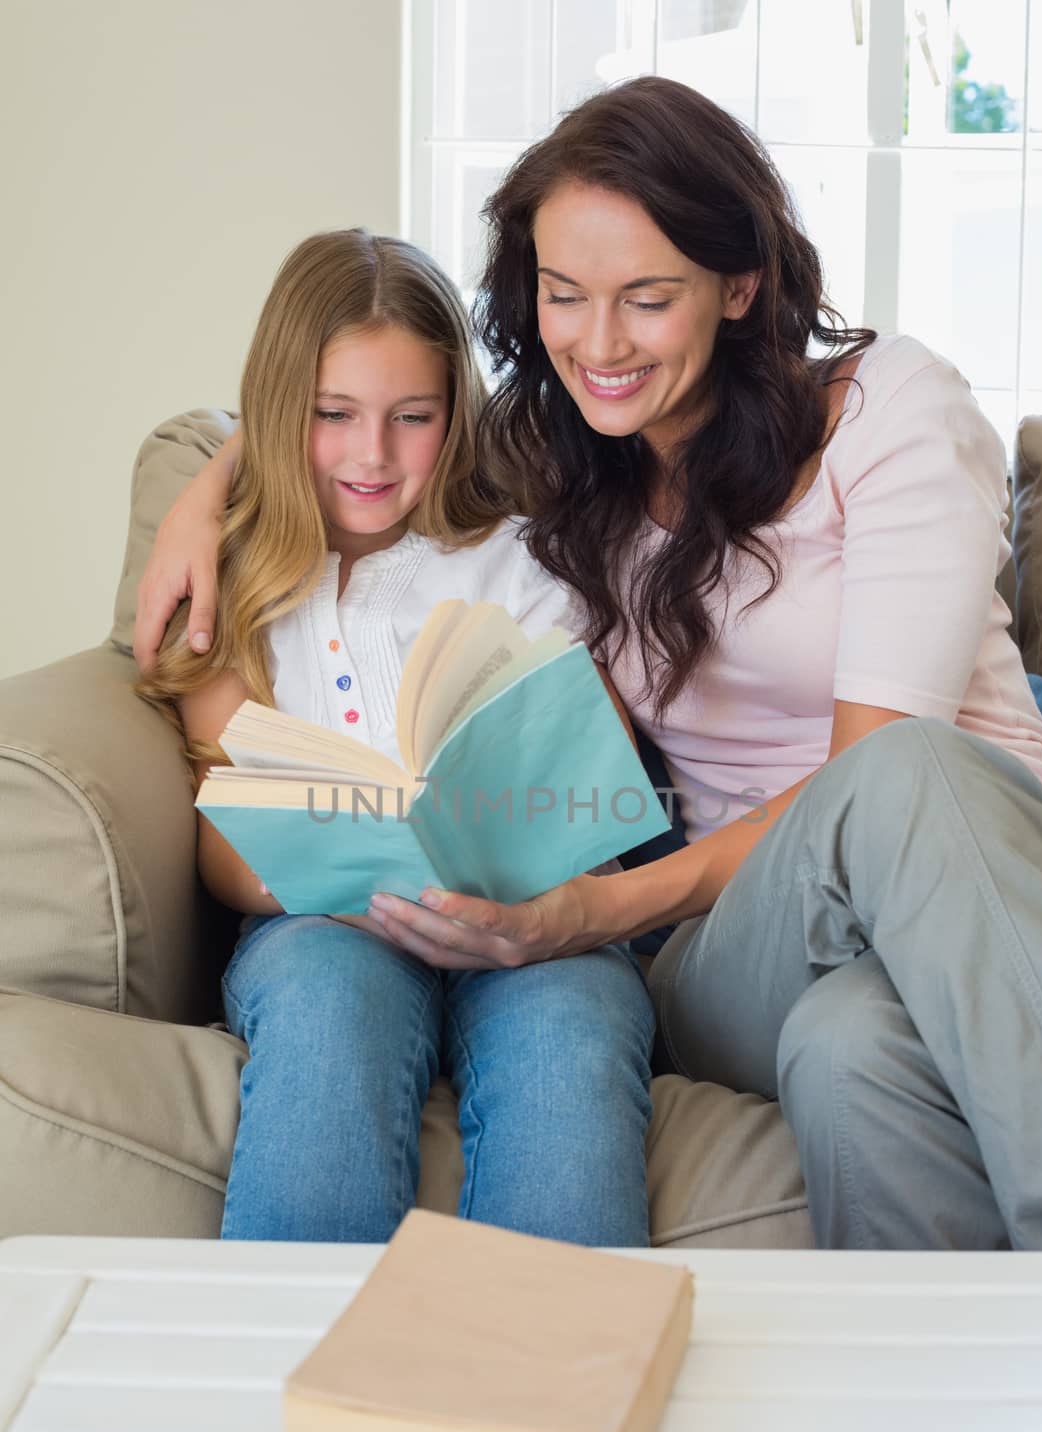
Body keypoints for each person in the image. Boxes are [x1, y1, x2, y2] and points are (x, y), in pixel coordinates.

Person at [135, 80, 1042, 1251]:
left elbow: (874, 770)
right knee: (859, 878)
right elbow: (348, 430)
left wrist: (588, 913)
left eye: (646, 297)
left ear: (740, 287)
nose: (599, 342)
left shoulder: (895, 413)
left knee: (850, 1047)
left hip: (966, 875)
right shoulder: (569, 458)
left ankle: (945, 1407)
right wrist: (203, 492)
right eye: (563, 296)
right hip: (744, 933)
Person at [136, 227, 656, 1247]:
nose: (371, 454)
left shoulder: (513, 558)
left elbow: (593, 764)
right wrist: (355, 867)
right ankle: (298, 1367)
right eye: (332, 416)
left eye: (410, 418)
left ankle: (551, 1383)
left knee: (571, 1037)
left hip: (532, 917)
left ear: (452, 416)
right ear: (285, 414)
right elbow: (229, 845)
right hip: (324, 925)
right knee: (328, 1012)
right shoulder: (236, 583)